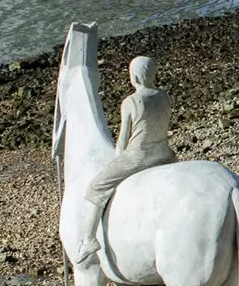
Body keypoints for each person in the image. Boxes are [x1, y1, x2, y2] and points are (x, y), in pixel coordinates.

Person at [74, 56, 175, 264]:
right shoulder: (164, 96)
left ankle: (89, 238)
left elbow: (122, 140)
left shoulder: (131, 102)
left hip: (138, 156)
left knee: (96, 186)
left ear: (135, 77)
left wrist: (116, 161)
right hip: (164, 153)